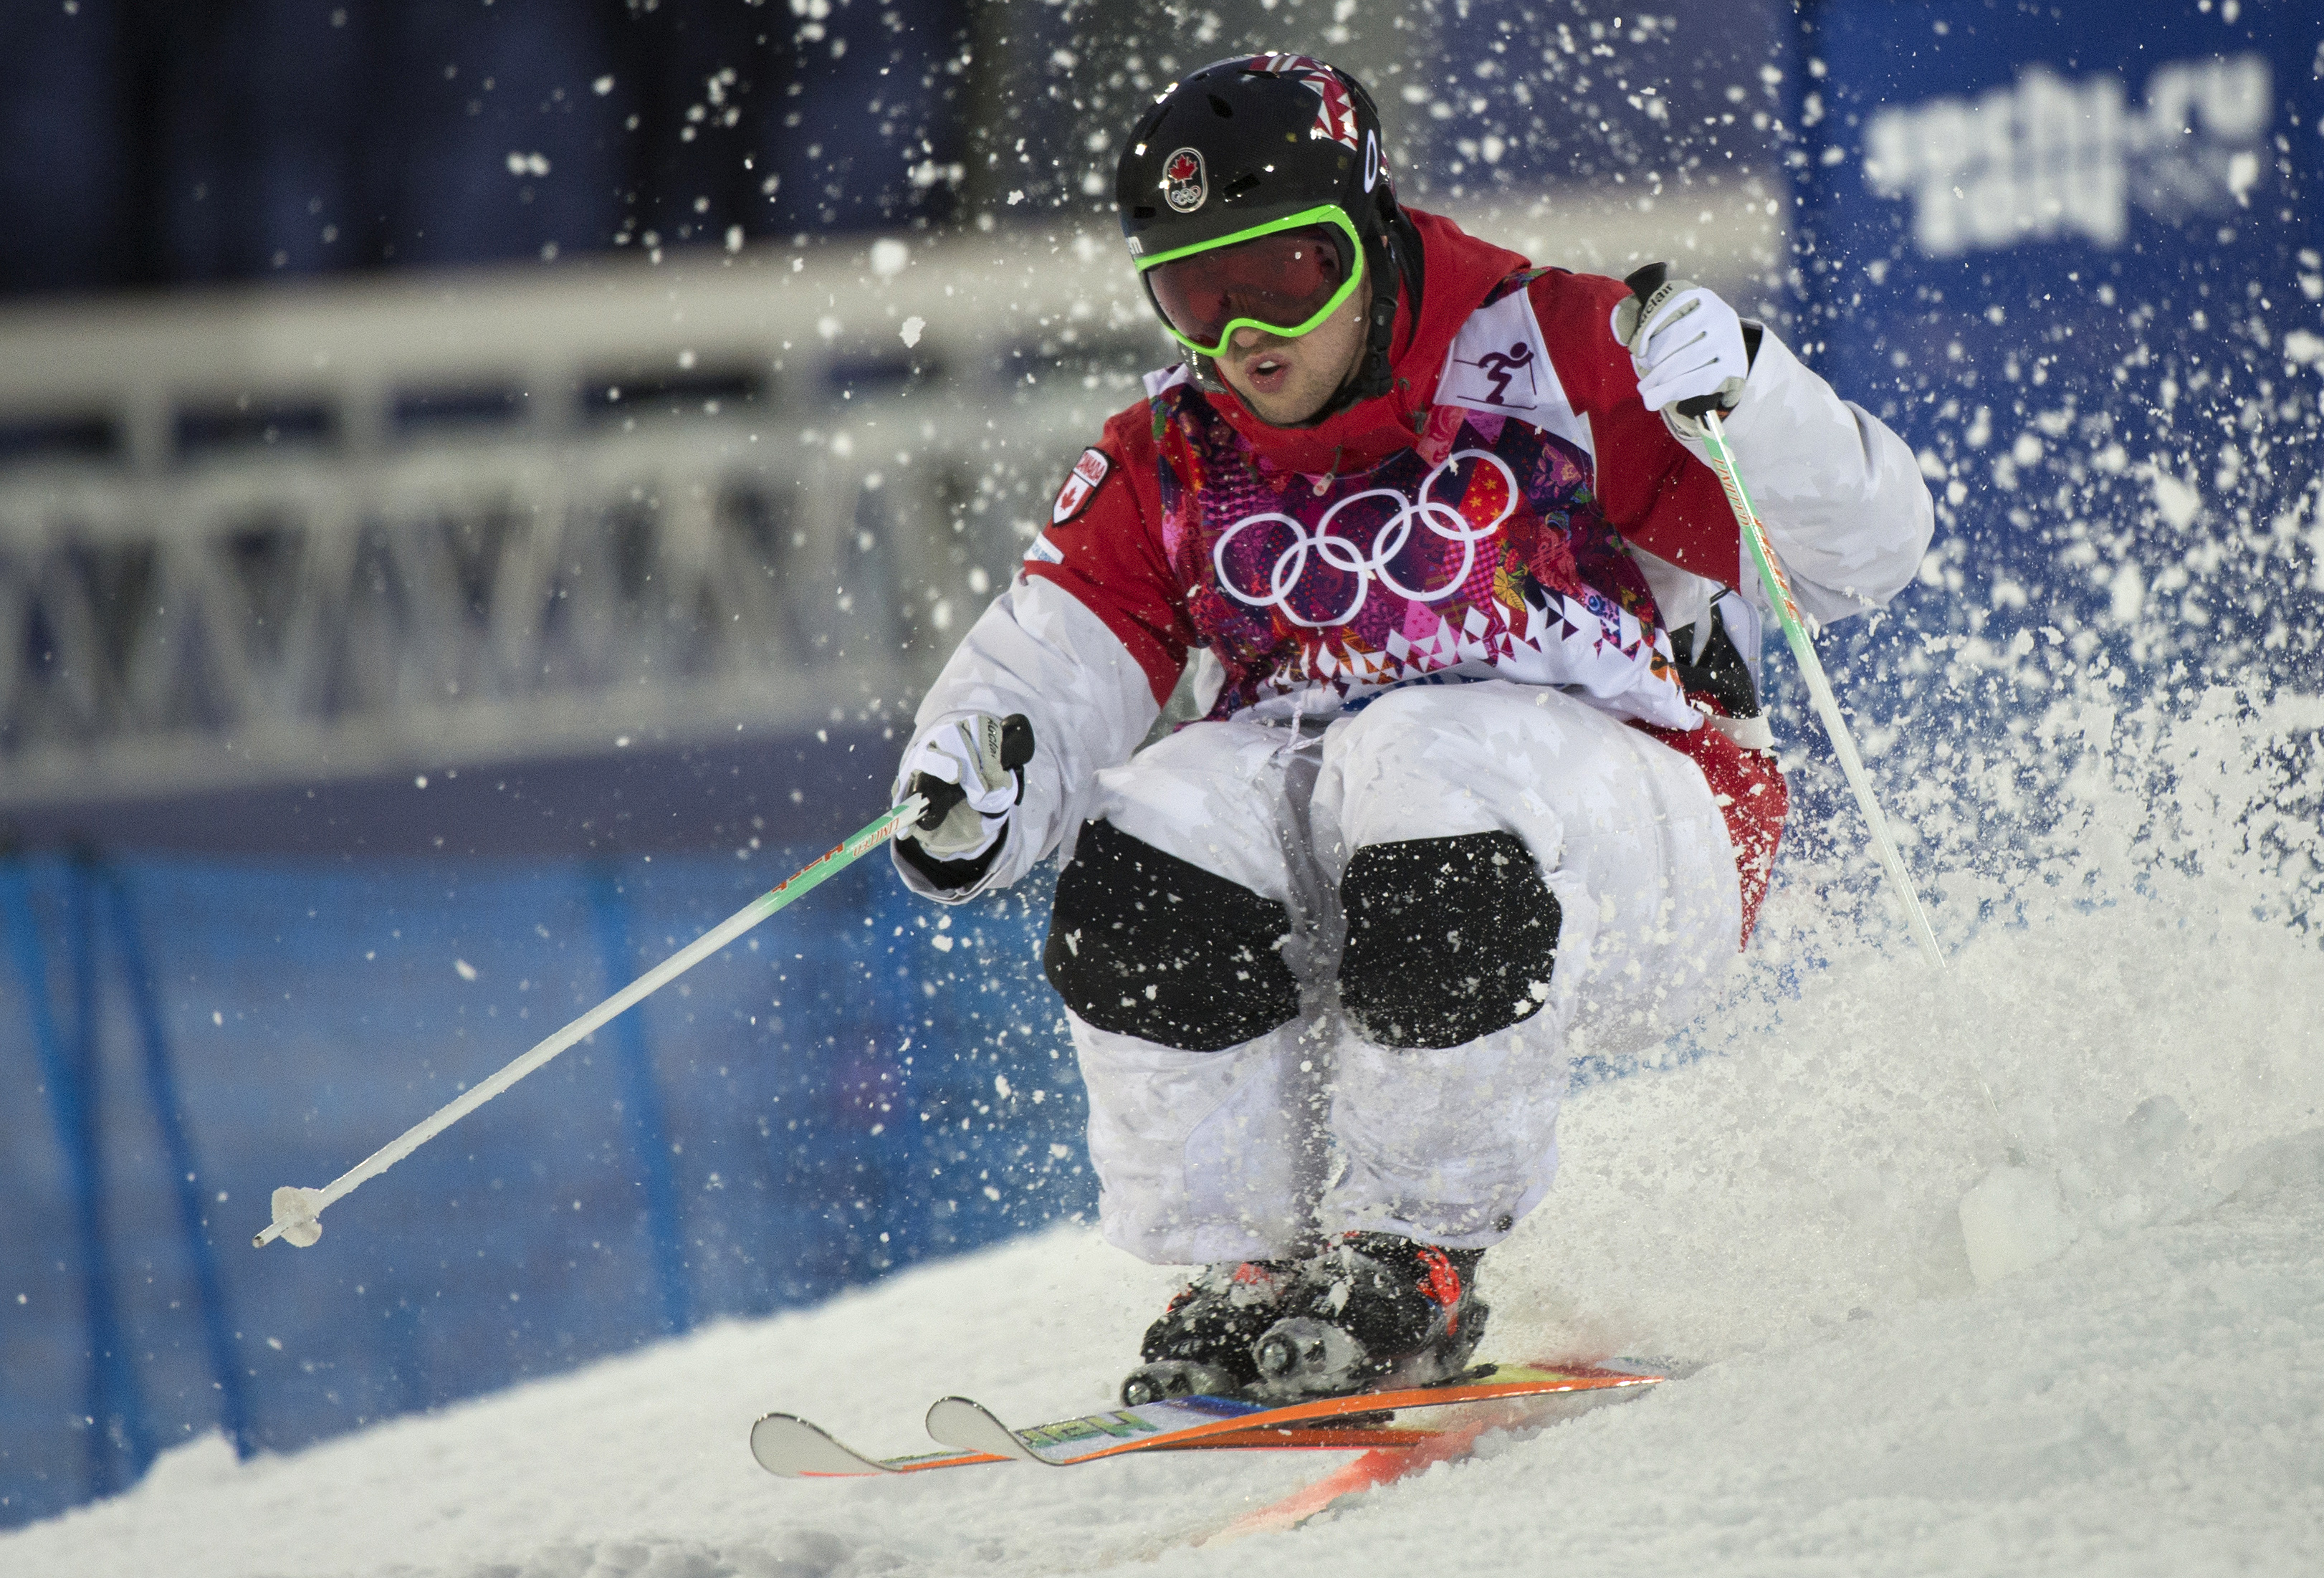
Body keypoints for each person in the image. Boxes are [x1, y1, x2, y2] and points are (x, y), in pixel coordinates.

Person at [888, 54, 1933, 1405]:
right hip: (1371, 870)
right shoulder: (1178, 447)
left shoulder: (1561, 351)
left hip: (1644, 836)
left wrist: (1748, 393)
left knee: (1420, 751)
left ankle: (1415, 1257)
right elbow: (1055, 652)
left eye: (1284, 277)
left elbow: (1867, 557)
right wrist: (973, 769)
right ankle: (1240, 1276)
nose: (1241, 334)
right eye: (1195, 294)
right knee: (1156, 813)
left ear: (1373, 236)